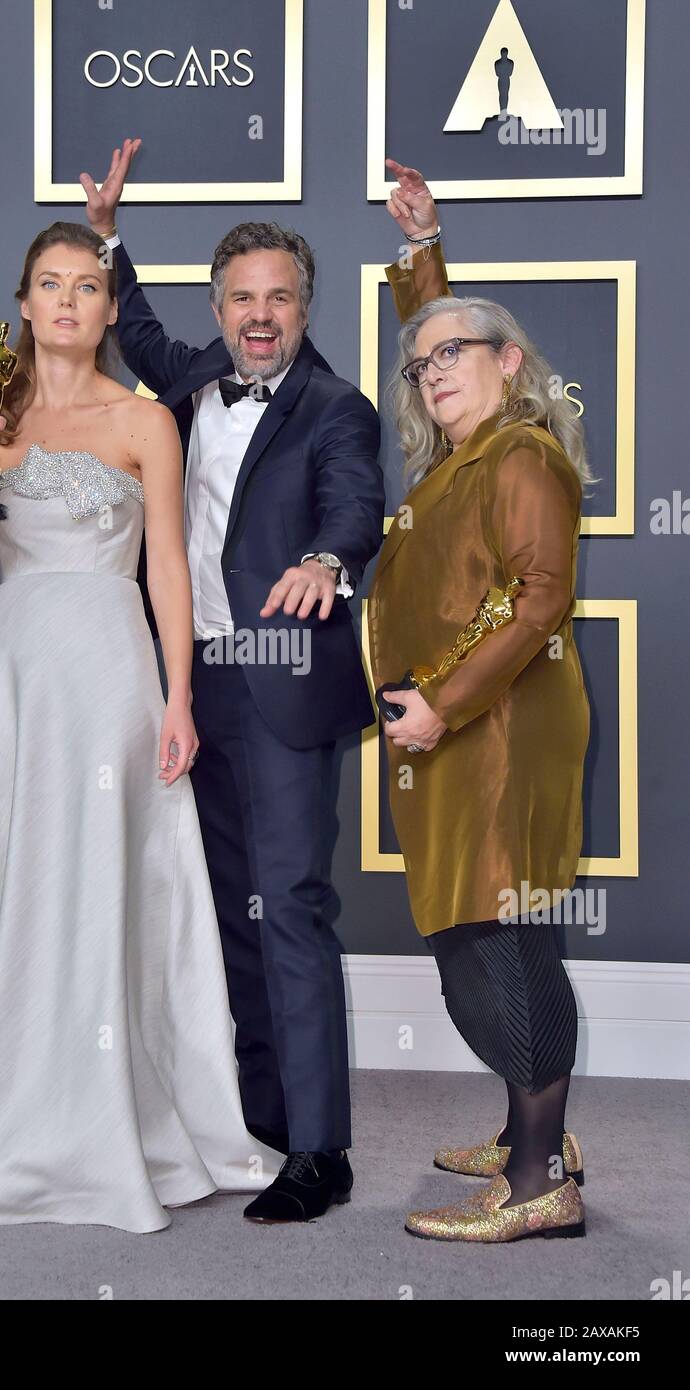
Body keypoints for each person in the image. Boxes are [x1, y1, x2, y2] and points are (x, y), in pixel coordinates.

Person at [0, 220, 280, 1233]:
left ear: (103, 305)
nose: (70, 301)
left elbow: (169, 568)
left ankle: (113, 1113)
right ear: (25, 301)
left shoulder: (143, 423)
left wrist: (177, 697)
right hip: (15, 673)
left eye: (88, 285)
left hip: (112, 671)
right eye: (51, 283)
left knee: (111, 879)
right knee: (5, 877)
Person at [80, 141, 385, 1222]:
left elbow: (355, 510)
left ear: (305, 307)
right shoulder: (194, 374)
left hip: (284, 687)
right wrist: (110, 237)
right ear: (224, 305)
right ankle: (259, 1123)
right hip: (195, 688)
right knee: (234, 915)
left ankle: (321, 1153)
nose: (260, 315)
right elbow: (142, 328)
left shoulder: (335, 409)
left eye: (280, 298)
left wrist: (326, 561)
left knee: (292, 908)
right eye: (242, 298)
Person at [368, 162, 593, 1241]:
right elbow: (444, 338)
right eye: (418, 368)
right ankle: (529, 1133)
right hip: (463, 730)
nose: (428, 375)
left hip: (491, 732)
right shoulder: (466, 449)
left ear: (511, 365)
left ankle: (537, 1177)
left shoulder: (519, 455)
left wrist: (441, 704)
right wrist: (423, 251)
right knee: (502, 937)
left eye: (453, 358)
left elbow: (538, 597)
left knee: (487, 949)